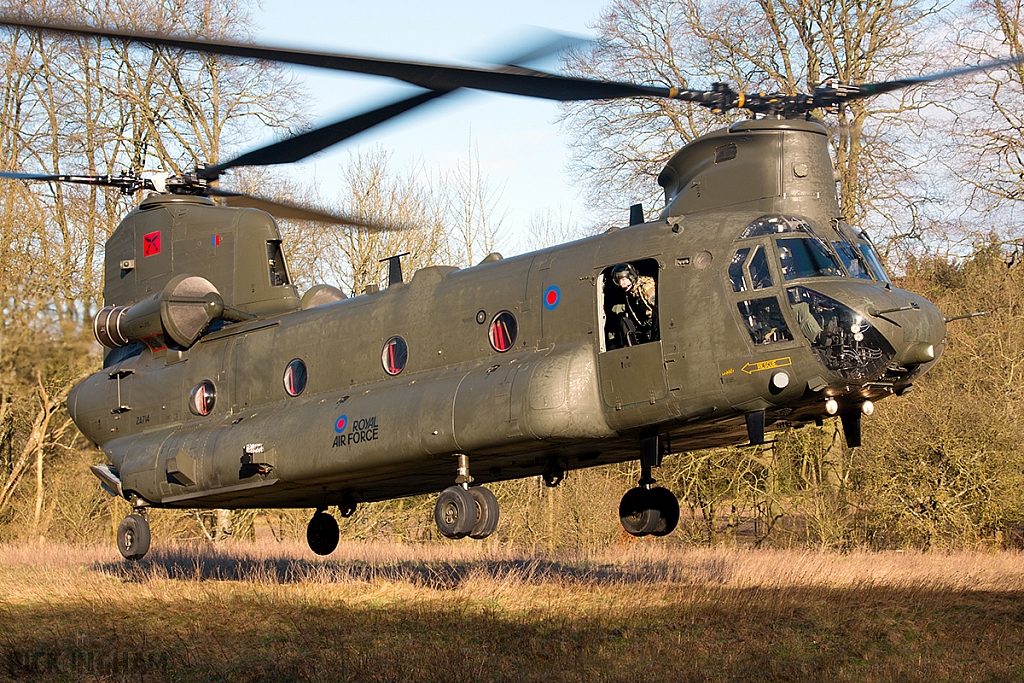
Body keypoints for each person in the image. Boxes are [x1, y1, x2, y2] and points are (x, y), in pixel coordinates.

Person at [610, 263, 658, 345]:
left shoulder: (647, 288)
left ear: (631, 276)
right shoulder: (633, 292)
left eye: (624, 280)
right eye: (619, 281)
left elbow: (661, 309)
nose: (622, 284)